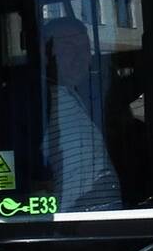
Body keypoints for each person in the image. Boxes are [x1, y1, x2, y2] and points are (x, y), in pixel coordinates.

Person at [42, 16, 121, 211]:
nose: (80, 56)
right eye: (68, 47)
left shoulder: (76, 96)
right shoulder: (38, 103)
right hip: (74, 222)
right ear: (46, 54)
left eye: (85, 48)